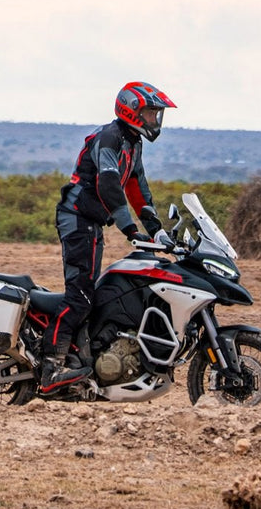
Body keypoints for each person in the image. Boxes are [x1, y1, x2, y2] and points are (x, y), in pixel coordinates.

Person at [38, 81, 176, 394]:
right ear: (132, 111)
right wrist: (131, 231)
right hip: (77, 219)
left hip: (91, 223)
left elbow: (137, 190)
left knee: (100, 293)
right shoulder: (111, 138)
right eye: (151, 112)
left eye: (157, 113)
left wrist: (157, 231)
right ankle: (51, 367)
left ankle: (86, 356)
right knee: (81, 296)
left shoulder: (132, 142)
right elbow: (109, 186)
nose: (156, 119)